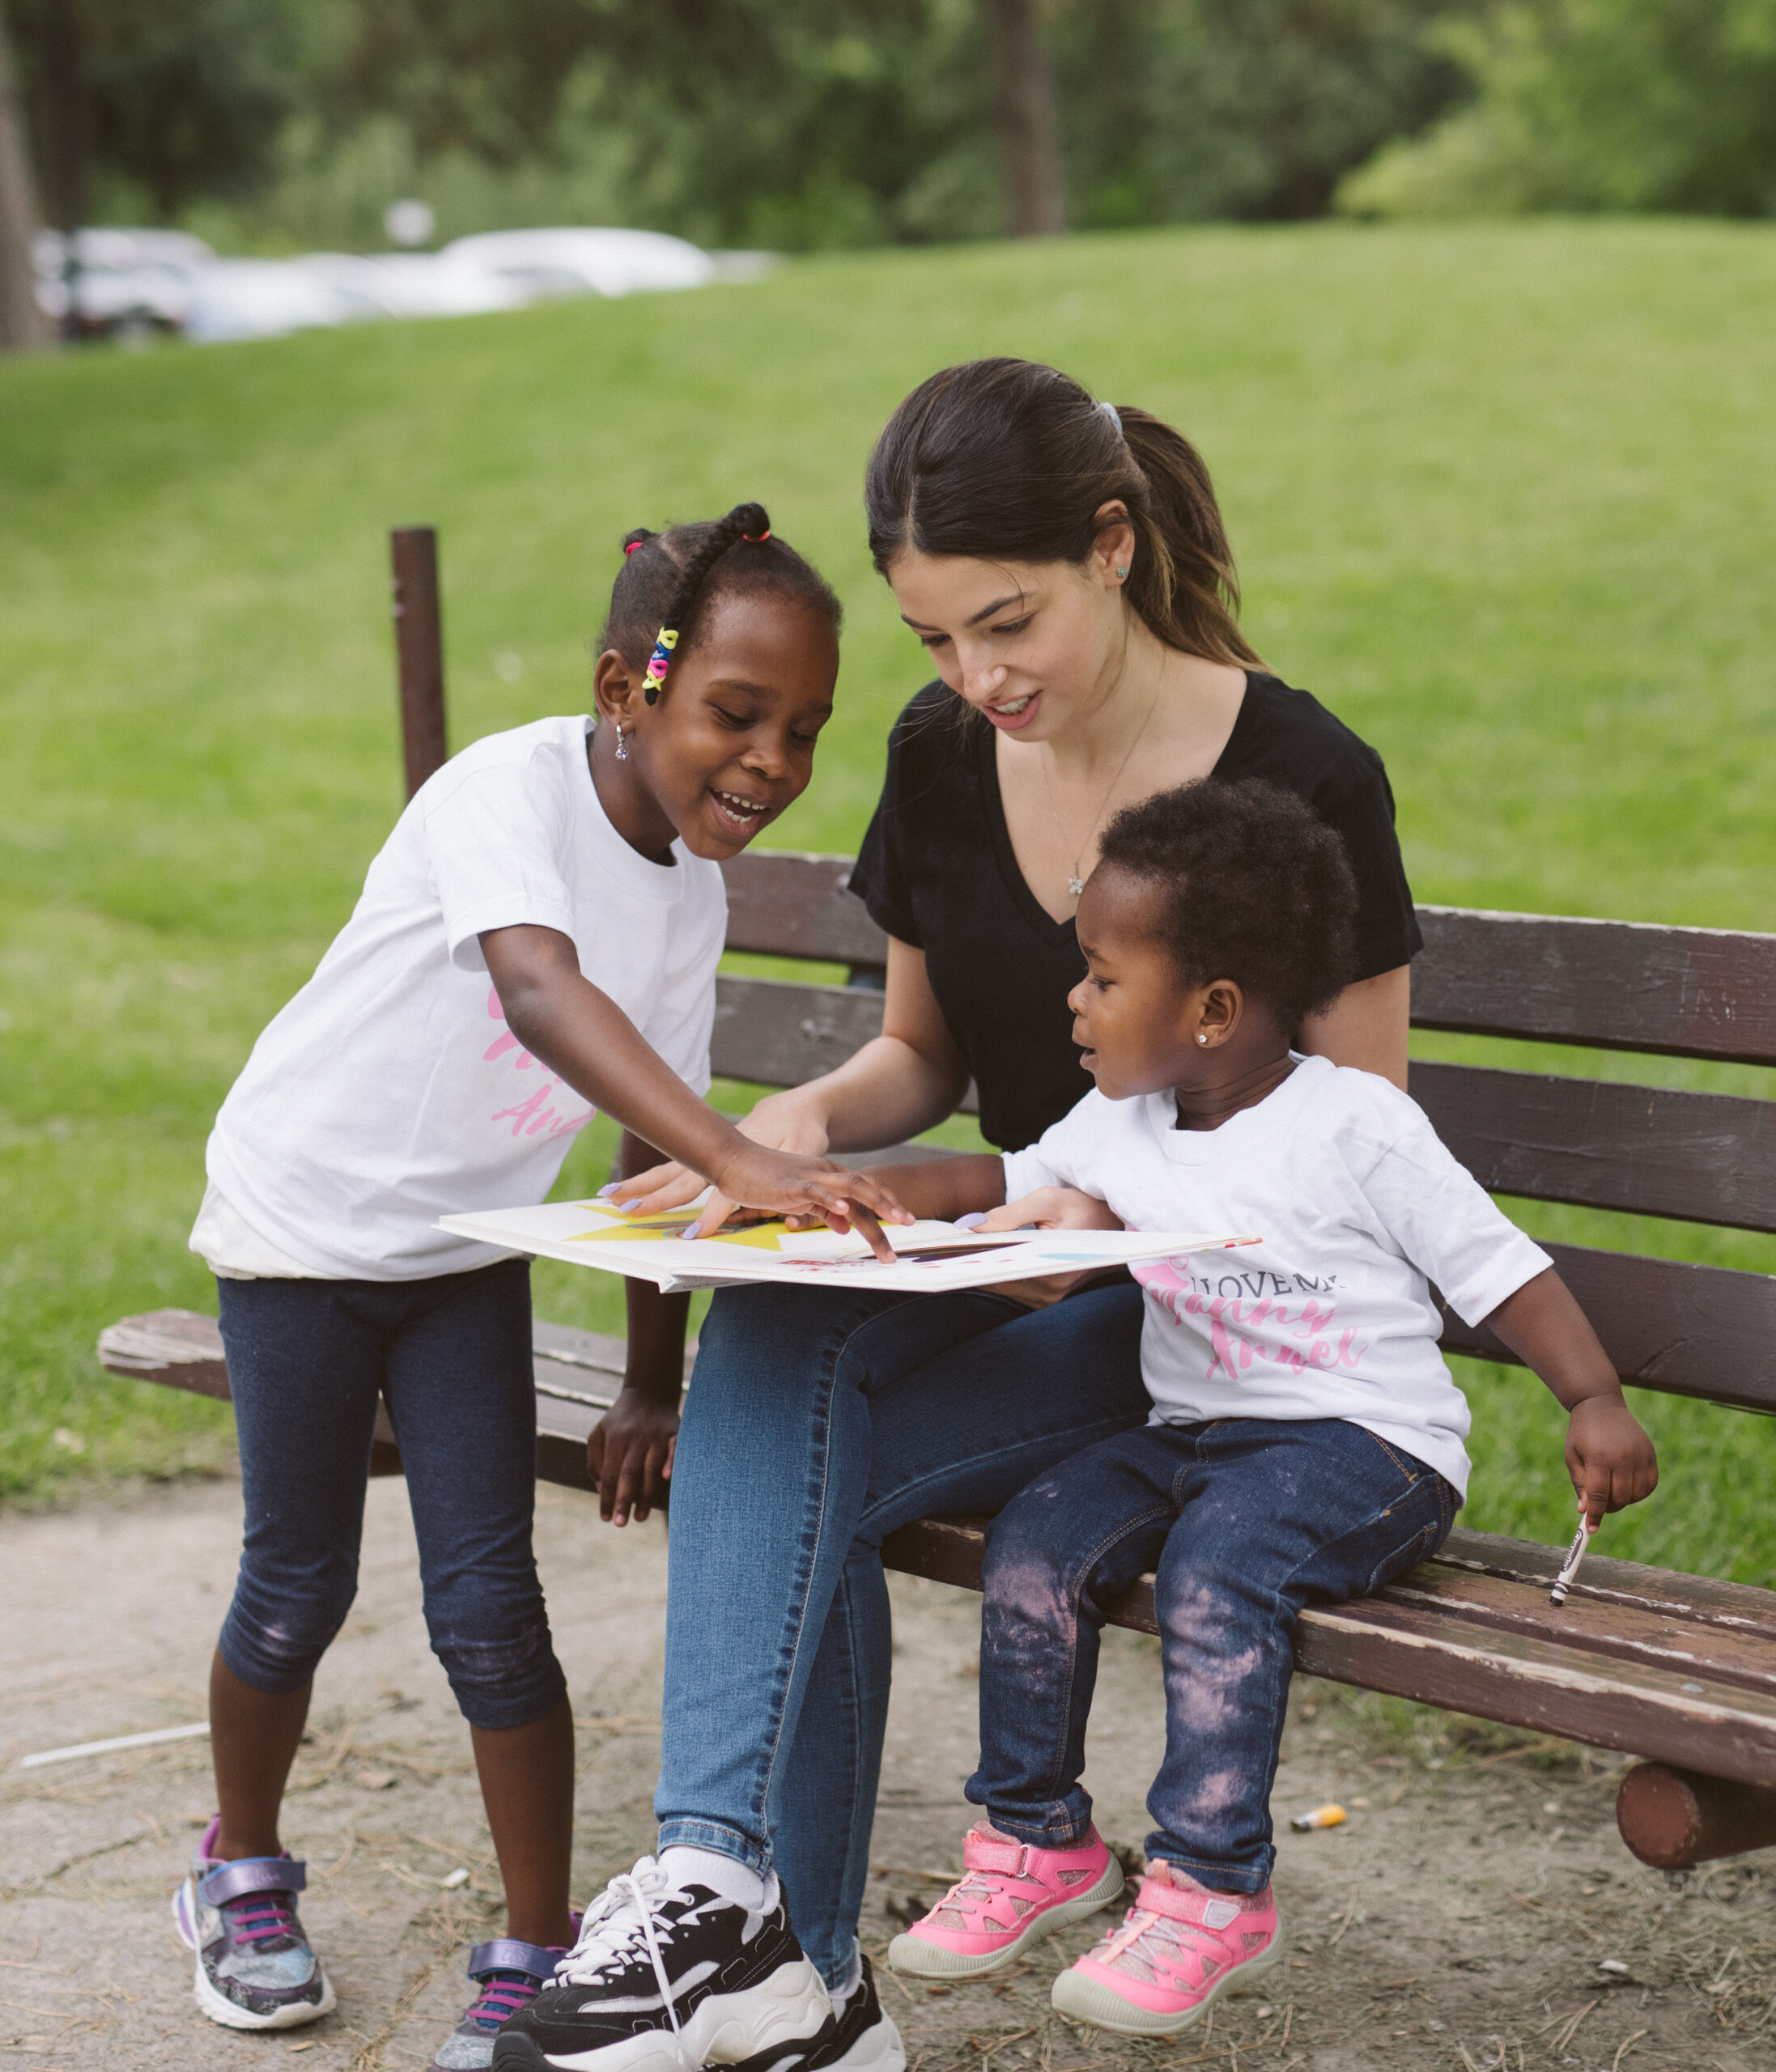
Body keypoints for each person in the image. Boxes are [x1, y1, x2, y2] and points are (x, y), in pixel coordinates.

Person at [499, 360, 1429, 2072]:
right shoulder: (942, 757)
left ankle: (791, 1968)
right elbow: (921, 1051)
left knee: (798, 1452)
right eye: (932, 640)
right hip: (1019, 1260)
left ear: (1108, 545)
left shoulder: (1303, 773)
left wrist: (1096, 1222)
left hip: (1211, 1331)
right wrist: (783, 1130)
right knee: (771, 1320)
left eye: (1002, 623)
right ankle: (728, 1893)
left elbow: (1351, 1149)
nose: (973, 677)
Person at [172, 504, 908, 2072]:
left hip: (461, 1253)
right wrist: (737, 1151)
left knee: (493, 1609)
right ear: (626, 687)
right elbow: (536, 984)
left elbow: (664, 1147)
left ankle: (534, 1941)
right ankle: (234, 1864)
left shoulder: (690, 890)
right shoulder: (501, 790)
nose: (772, 758)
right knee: (297, 1584)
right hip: (305, 1227)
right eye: (735, 712)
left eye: (802, 728)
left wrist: (656, 1371)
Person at [875, 776, 1656, 2036]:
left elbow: (1497, 1267)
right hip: (1193, 1436)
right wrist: (834, 1185)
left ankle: (1210, 1889)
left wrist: (1594, 1397)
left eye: (1100, 977)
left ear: (1214, 1009)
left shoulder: (1352, 1126)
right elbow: (999, 1175)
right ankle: (1035, 1844)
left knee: (1215, 1571)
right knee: (1033, 1541)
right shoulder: (1122, 1117)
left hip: (1364, 1448)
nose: (1072, 999)